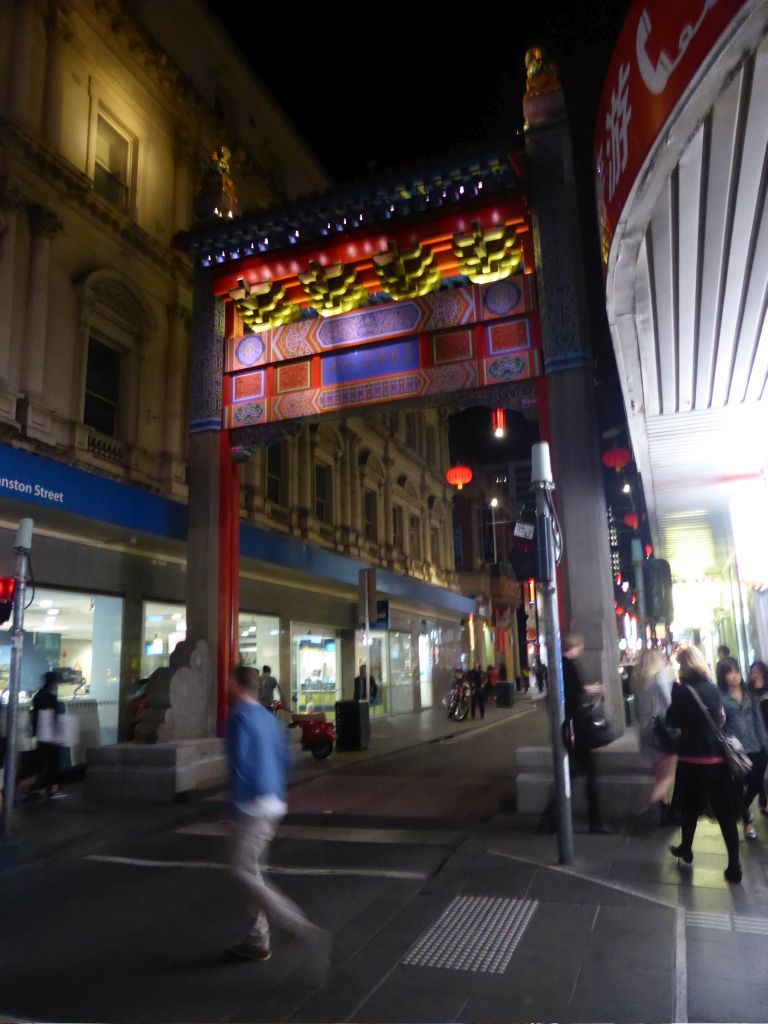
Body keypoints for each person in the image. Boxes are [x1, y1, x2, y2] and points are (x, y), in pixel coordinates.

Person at [225, 665, 324, 961]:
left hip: (251, 804)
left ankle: (296, 925)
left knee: (243, 870)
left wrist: (233, 809)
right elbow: (285, 759)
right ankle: (258, 939)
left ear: (237, 685)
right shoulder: (268, 719)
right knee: (253, 869)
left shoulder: (238, 716)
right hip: (273, 801)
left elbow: (239, 765)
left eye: (230, 682)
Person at [666, 646, 741, 883]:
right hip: (716, 758)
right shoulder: (711, 688)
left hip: (691, 757)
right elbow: (721, 717)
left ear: (685, 666)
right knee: (725, 814)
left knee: (690, 807)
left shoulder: (680, 690)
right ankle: (734, 865)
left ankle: (686, 848)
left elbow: (672, 719)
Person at [541, 634, 610, 834]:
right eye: (580, 646)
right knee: (585, 772)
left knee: (574, 772)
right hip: (576, 728)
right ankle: (594, 821)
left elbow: (569, 691)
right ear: (575, 646)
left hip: (569, 727)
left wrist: (585, 688)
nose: (581, 649)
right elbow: (572, 693)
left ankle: (550, 817)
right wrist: (587, 690)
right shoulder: (568, 665)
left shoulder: (559, 665)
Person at [717, 657, 768, 841]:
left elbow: (758, 721)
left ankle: (739, 809)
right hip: (736, 751)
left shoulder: (749, 693)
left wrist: (765, 745)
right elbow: (720, 726)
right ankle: (747, 823)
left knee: (756, 782)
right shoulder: (720, 698)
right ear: (723, 677)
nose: (734, 675)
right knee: (738, 786)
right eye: (729, 672)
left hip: (755, 745)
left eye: (736, 671)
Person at [632, 648, 675, 822]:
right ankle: (650, 804)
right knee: (668, 774)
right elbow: (670, 702)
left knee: (658, 773)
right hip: (662, 730)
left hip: (645, 731)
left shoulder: (638, 682)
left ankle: (665, 811)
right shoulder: (660, 677)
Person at [30, 671, 65, 799]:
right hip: (49, 735)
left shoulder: (38, 695)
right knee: (53, 763)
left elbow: (35, 716)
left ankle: (40, 787)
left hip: (40, 734)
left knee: (41, 761)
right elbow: (52, 717)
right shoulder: (51, 698)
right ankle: (53, 789)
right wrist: (55, 735)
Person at [748, 660, 768, 814]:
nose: (754, 674)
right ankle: (762, 796)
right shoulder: (750, 691)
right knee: (760, 771)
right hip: (758, 736)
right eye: (752, 671)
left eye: (756, 671)